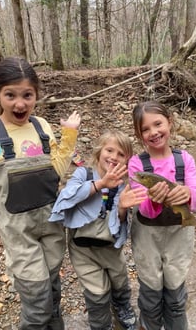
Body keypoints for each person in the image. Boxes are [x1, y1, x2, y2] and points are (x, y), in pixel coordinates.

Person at [0, 57, 81, 330]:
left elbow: (56, 172)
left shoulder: (42, 127)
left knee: (53, 291)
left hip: (51, 229)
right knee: (37, 305)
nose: (20, 103)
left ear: (36, 94)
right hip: (19, 237)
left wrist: (69, 136)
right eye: (10, 95)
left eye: (27, 95)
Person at [49, 130, 147, 330]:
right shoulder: (83, 173)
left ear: (127, 161)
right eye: (109, 150)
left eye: (121, 154)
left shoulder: (124, 186)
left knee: (120, 280)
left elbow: (120, 224)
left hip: (110, 246)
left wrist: (121, 209)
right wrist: (100, 184)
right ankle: (101, 324)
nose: (114, 157)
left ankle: (121, 306)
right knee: (97, 291)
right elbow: (64, 200)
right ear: (99, 152)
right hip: (82, 248)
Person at [128, 101, 196, 330]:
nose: (153, 132)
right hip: (147, 239)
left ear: (170, 123)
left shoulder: (185, 160)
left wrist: (188, 194)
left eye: (158, 124)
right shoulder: (137, 165)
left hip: (179, 236)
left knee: (175, 288)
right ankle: (150, 323)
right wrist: (153, 200)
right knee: (150, 289)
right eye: (145, 129)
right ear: (139, 134)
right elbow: (143, 208)